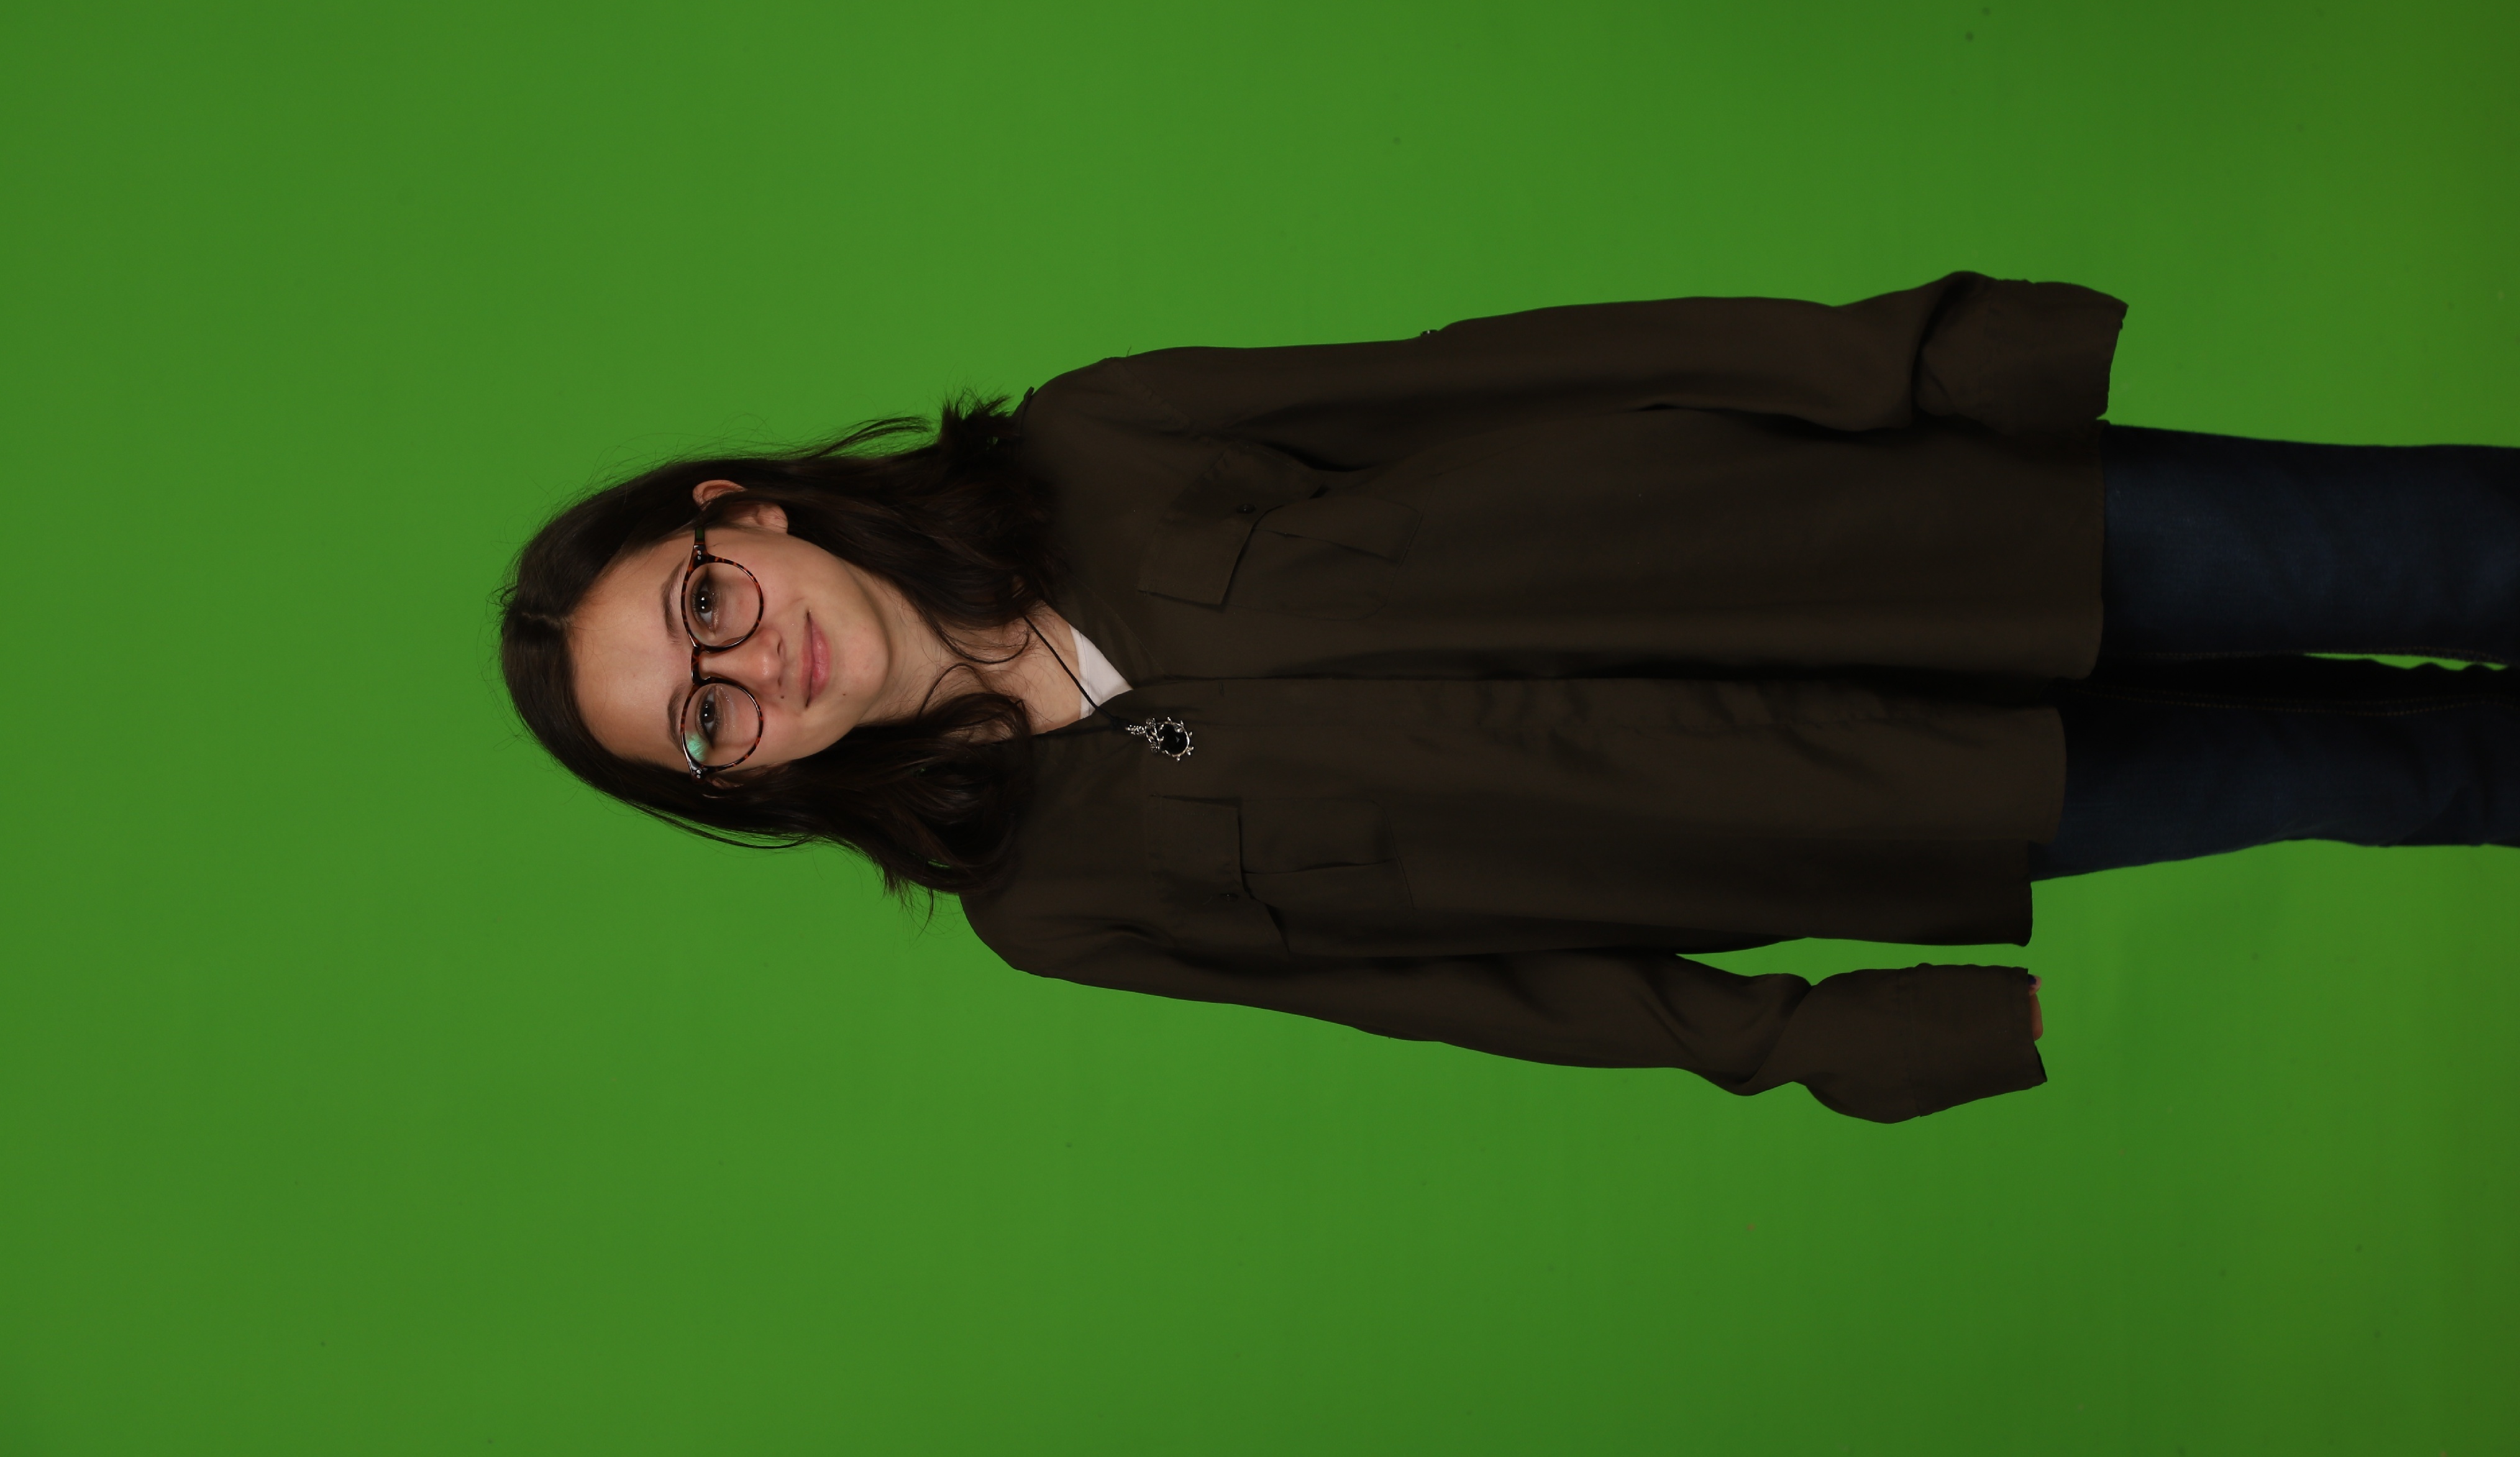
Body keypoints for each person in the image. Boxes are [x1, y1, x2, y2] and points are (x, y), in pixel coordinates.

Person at [500, 273, 2519, 1121]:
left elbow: (1505, 374)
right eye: (702, 717)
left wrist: (1885, 366)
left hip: (1901, 526)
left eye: (703, 605)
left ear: (743, 512)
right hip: (1876, 801)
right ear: (742, 781)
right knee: (2397, 775)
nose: (748, 666)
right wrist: (1806, 1037)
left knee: (2449, 550)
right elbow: (1473, 991)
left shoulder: (1102, 440)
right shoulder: (1056, 904)